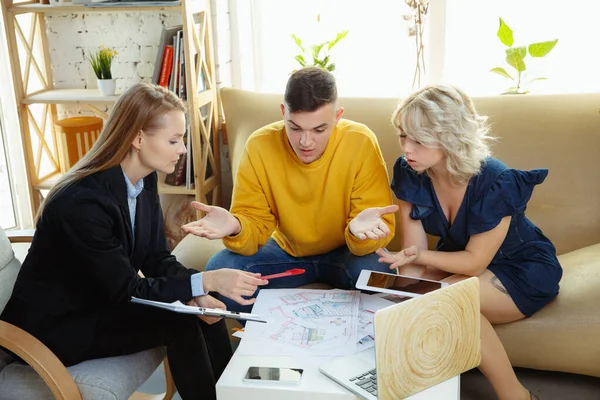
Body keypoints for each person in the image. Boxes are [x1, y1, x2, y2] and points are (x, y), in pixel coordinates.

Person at [0, 83, 267, 400]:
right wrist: (206, 281)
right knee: (180, 320)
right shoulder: (81, 204)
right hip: (58, 328)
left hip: (99, 304)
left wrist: (200, 290)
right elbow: (127, 290)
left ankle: (230, 395)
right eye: (173, 140)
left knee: (201, 309)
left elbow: (156, 259)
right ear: (139, 138)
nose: (182, 149)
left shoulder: (144, 180)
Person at [371, 84, 560, 400]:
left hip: (520, 268)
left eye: (418, 140)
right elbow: (415, 259)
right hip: (457, 261)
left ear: (449, 136)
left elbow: (473, 262)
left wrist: (418, 258)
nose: (406, 148)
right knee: (403, 296)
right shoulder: (410, 171)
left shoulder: (497, 181)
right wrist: (403, 287)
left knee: (452, 300)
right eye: (402, 135)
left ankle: (518, 396)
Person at [182, 66, 397, 312]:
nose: (306, 142)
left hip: (345, 251)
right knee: (222, 270)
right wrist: (236, 226)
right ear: (283, 112)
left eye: (319, 130)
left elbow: (378, 226)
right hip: (284, 252)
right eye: (295, 128)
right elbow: (254, 223)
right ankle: (264, 343)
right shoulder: (259, 146)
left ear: (337, 117)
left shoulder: (361, 141)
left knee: (377, 271)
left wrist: (359, 234)